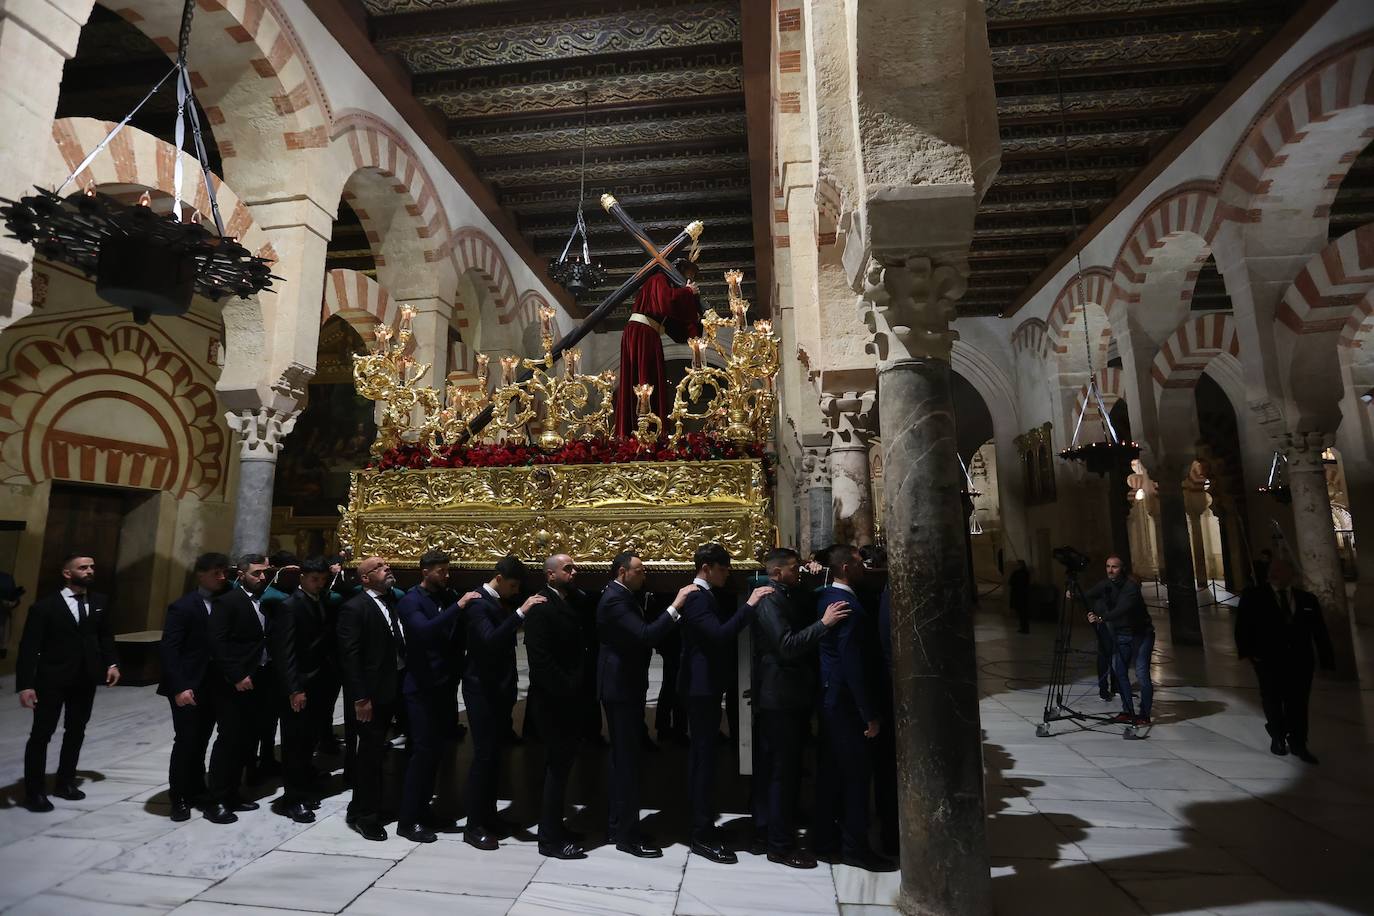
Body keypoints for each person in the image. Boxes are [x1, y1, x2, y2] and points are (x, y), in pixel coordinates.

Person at [751, 547, 849, 869]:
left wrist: (815, 573)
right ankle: (779, 845)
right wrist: (824, 624)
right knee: (782, 771)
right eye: (794, 569)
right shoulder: (769, 600)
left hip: (790, 695)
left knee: (787, 770)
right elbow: (788, 645)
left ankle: (773, 828)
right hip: (780, 697)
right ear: (777, 573)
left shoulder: (787, 593)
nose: (799, 572)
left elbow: (804, 600)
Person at [678, 542, 772, 864]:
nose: (728, 572)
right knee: (702, 760)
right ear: (707, 567)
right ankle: (701, 832)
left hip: (706, 687)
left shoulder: (704, 596)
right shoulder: (695, 597)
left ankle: (703, 825)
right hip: (699, 689)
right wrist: (749, 605)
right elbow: (718, 635)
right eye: (724, 567)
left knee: (705, 758)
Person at [597, 550, 688, 857]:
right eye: (640, 570)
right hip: (621, 689)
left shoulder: (621, 596)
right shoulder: (614, 600)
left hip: (625, 686)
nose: (644, 574)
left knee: (623, 759)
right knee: (626, 762)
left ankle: (617, 825)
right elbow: (646, 634)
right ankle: (626, 834)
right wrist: (675, 607)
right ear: (623, 572)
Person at [16, 554, 120, 812]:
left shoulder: (99, 602)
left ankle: (65, 782)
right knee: (42, 735)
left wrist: (112, 664)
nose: (89, 571)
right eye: (83, 567)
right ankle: (34, 791)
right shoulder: (44, 607)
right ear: (66, 573)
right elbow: (29, 648)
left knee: (76, 731)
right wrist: (26, 685)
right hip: (51, 679)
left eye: (92, 567)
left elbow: (105, 636)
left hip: (85, 679)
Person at [461, 555, 545, 850]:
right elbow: (490, 639)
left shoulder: (495, 602)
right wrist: (520, 614)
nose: (515, 591)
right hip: (481, 691)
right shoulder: (477, 603)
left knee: (495, 758)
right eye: (513, 585)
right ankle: (473, 825)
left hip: (499, 690)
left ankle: (489, 816)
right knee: (483, 757)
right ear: (499, 578)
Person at [394, 550, 478, 843]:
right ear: (425, 571)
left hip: (443, 685)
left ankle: (424, 811)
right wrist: (458, 606)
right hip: (420, 687)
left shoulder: (444, 597)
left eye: (447, 570)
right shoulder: (410, 601)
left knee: (436, 754)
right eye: (441, 571)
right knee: (421, 753)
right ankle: (407, 820)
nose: (446, 575)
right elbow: (425, 632)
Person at [814, 544, 887, 869]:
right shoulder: (846, 606)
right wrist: (867, 713)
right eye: (858, 563)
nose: (864, 567)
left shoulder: (826, 597)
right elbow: (852, 664)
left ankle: (825, 840)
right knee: (857, 777)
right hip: (845, 703)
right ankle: (855, 849)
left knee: (832, 773)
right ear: (845, 567)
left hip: (831, 698)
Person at [1235, 556, 1335, 763]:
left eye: (1280, 569)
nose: (1275, 572)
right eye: (1273, 568)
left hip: (1300, 661)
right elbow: (1242, 626)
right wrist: (1248, 653)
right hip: (1268, 659)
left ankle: (1299, 743)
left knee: (1298, 702)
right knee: (1272, 699)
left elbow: (1320, 632)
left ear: (1292, 574)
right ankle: (1278, 736)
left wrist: (1326, 661)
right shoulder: (1254, 596)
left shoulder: (1307, 600)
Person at [524, 554, 590, 859]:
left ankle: (556, 828)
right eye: (568, 569)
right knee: (555, 770)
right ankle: (549, 839)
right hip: (554, 702)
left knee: (563, 770)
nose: (574, 572)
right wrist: (568, 687)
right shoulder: (540, 607)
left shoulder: (570, 600)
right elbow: (541, 661)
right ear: (550, 575)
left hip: (569, 699)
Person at [336, 557, 406, 841]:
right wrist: (360, 697)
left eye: (386, 565)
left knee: (379, 751)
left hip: (394, 687)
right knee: (369, 755)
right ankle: (366, 816)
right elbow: (350, 657)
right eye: (378, 567)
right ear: (364, 578)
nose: (386, 567)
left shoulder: (390, 602)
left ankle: (364, 806)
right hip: (371, 695)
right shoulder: (354, 608)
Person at [158, 552, 230, 821]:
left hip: (214, 685)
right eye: (216, 573)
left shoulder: (225, 602)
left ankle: (198, 788)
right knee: (187, 741)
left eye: (224, 572)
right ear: (201, 574)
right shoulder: (183, 606)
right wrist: (180, 687)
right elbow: (170, 650)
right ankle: (178, 796)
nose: (222, 577)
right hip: (188, 685)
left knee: (202, 740)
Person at [203, 554, 273, 824]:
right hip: (234, 683)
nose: (262, 578)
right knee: (229, 739)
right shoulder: (227, 602)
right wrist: (236, 674)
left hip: (260, 679)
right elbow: (217, 643)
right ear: (241, 575)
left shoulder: (266, 602)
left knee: (246, 740)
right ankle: (216, 800)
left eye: (264, 573)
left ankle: (233, 792)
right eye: (256, 573)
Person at [267, 556, 336, 825]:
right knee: (294, 744)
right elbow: (285, 653)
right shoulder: (289, 606)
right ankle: (291, 799)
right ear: (303, 578)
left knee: (308, 742)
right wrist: (294, 689)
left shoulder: (320, 601)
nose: (319, 584)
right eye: (314, 579)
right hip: (299, 685)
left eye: (322, 580)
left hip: (318, 682)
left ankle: (304, 789)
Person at [614, 257, 703, 438]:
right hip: (642, 333)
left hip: (648, 334)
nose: (688, 281)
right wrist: (687, 292)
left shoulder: (667, 287)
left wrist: (698, 322)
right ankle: (640, 430)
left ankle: (650, 430)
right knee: (643, 378)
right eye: (687, 276)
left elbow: (677, 327)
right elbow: (667, 302)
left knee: (649, 378)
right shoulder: (658, 279)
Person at [1082, 555, 1153, 726]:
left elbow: (1122, 609)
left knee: (1142, 675)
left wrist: (1101, 617)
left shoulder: (1131, 587)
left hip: (1141, 635)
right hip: (1122, 635)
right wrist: (1074, 593)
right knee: (1120, 672)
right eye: (1108, 566)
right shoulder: (1107, 584)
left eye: (1114, 567)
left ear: (1122, 569)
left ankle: (1144, 713)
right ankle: (1127, 710)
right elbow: (1089, 594)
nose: (1110, 570)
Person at [1009, 560, 1031, 634]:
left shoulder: (1017, 573)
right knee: (1022, 613)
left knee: (1022, 613)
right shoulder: (1025, 573)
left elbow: (1011, 582)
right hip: (1023, 595)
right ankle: (1024, 628)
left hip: (1019, 595)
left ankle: (1024, 628)